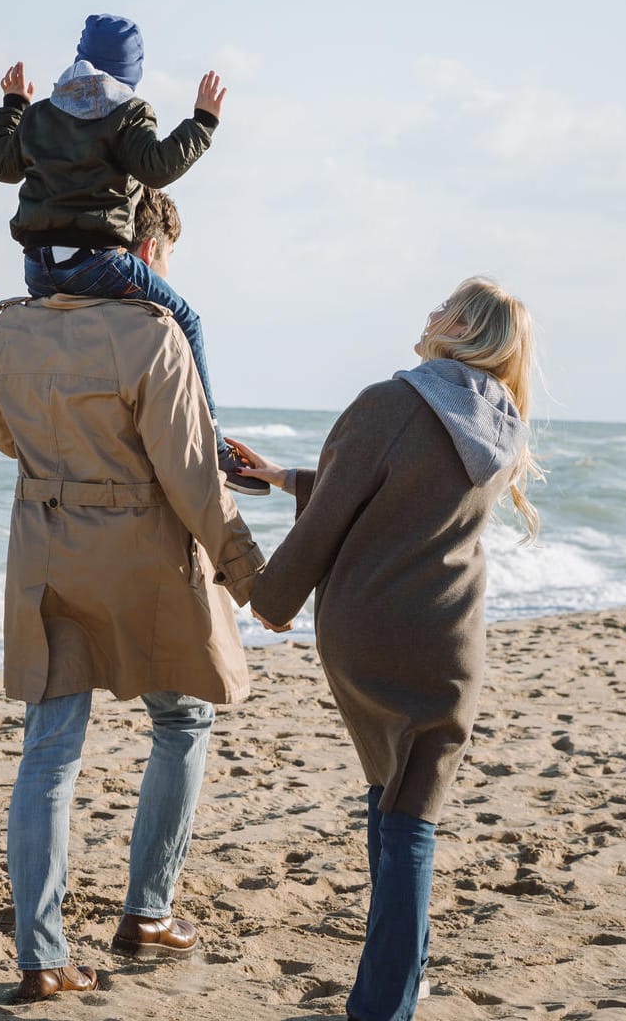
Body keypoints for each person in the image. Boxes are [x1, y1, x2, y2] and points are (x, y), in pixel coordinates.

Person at [0, 186, 266, 1003]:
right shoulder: (155, 331)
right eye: (167, 260)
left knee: (50, 750)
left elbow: (5, 436)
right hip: (142, 557)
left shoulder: (11, 325)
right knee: (183, 717)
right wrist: (252, 576)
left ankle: (41, 956)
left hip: (47, 551)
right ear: (146, 252)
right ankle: (148, 911)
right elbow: (193, 484)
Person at [233, 277, 543, 1021]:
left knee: (398, 809)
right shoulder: (501, 424)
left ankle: (383, 1004)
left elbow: (337, 515)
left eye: (443, 305)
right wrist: (284, 477)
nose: (429, 313)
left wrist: (273, 600)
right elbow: (405, 495)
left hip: (370, 627)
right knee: (409, 798)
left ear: (463, 324)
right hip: (452, 637)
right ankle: (401, 978)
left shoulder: (391, 401)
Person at [0, 13, 268, 496]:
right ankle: (215, 442)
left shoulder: (40, 114)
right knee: (187, 319)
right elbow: (157, 168)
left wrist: (14, 104)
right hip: (96, 263)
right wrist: (204, 121)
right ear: (130, 68)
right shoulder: (130, 112)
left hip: (38, 267)